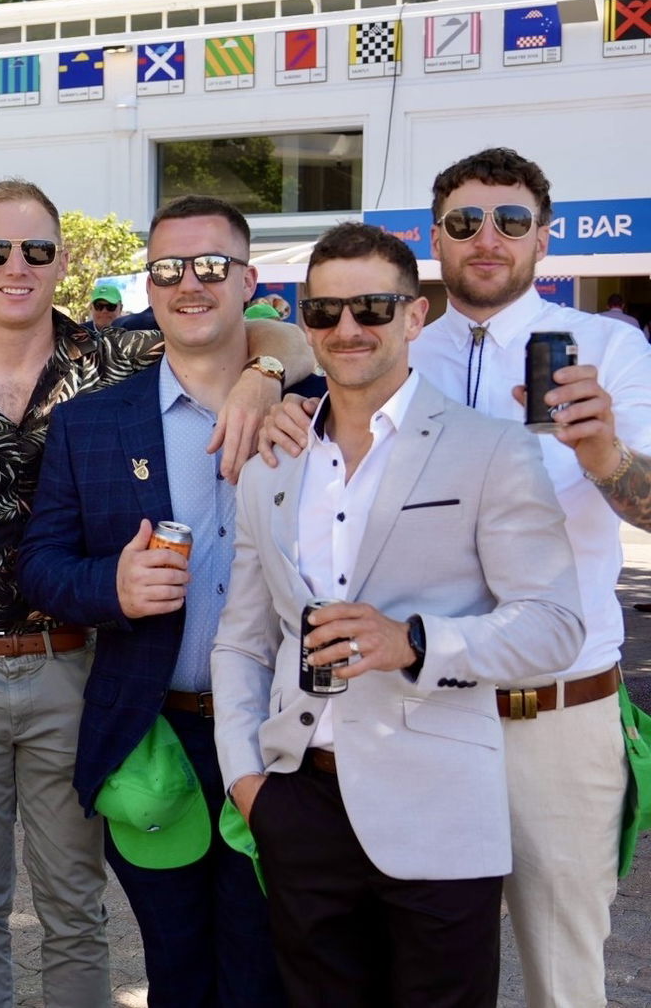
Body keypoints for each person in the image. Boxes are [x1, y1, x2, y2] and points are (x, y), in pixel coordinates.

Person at [0, 178, 314, 1007]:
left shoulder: (119, 356)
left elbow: (250, 327)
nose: (16, 266)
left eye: (36, 250)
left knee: (76, 905)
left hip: (76, 669)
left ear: (63, 261)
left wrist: (266, 370)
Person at [260, 149, 651, 1006]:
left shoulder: (611, 351)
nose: (487, 238)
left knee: (562, 978)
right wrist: (269, 380)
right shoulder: (385, 338)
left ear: (544, 237)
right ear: (433, 238)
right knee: (413, 974)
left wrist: (605, 454)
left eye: (510, 221)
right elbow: (283, 349)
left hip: (552, 709)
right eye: (464, 221)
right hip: (414, 717)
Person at [217, 221, 583, 1005]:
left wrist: (415, 642)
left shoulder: (490, 449)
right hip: (299, 804)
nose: (348, 329)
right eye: (324, 312)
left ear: (415, 316)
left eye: (373, 308)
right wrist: (248, 778)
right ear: (305, 320)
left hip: (440, 810)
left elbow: (554, 623)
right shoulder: (272, 464)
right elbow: (242, 641)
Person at [19, 195, 306, 1007]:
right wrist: (109, 585)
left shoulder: (314, 401)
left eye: (212, 265)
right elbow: (40, 566)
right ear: (148, 283)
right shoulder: (92, 423)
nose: (190, 283)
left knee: (265, 970)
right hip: (156, 736)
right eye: (169, 267)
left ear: (249, 280)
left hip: (282, 732)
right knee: (176, 970)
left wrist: (276, 369)